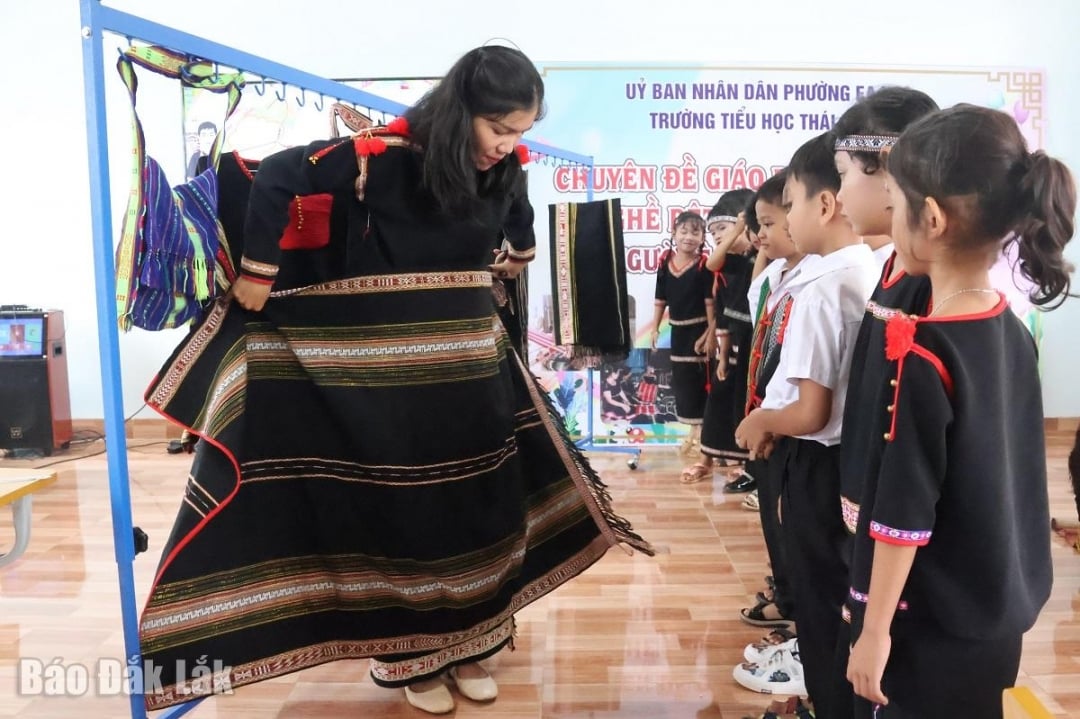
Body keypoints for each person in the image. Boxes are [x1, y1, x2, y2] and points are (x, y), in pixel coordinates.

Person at [139, 45, 652, 715]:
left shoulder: (504, 172)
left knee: (479, 510)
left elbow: (520, 240)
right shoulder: (379, 156)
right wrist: (260, 271)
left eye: (521, 130)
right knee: (407, 515)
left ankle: (473, 643)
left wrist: (513, 257)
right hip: (389, 395)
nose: (509, 143)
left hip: (471, 383)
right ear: (461, 108)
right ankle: (414, 661)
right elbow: (275, 181)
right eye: (500, 127)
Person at [846, 104, 1070, 718]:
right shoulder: (1009, 328)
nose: (890, 219)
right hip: (1000, 605)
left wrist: (873, 629)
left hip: (931, 617)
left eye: (894, 202)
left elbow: (903, 514)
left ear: (933, 218)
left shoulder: (924, 350)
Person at [735, 132, 878, 717]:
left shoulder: (823, 288)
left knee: (819, 603)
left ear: (824, 204)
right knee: (840, 597)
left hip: (815, 460)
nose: (786, 220)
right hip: (847, 463)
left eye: (790, 203)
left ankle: (826, 699)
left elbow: (811, 410)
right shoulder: (866, 270)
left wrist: (761, 419)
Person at [734, 171, 810, 634]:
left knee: (792, 525)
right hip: (770, 416)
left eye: (770, 222)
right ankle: (787, 592)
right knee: (774, 516)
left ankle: (796, 603)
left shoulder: (821, 282)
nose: (760, 235)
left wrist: (772, 420)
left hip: (792, 423)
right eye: (756, 225)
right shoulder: (780, 274)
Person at [681, 189, 755, 483]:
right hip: (732, 346)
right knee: (718, 403)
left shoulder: (759, 260)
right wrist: (723, 356)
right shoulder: (729, 267)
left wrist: (741, 227)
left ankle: (746, 464)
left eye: (722, 229)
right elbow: (724, 314)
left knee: (744, 406)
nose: (718, 238)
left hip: (753, 347)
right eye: (713, 234)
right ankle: (707, 458)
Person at [650, 211, 714, 456]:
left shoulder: (704, 265)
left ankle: (702, 437)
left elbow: (711, 302)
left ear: (702, 237)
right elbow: (660, 299)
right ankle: (693, 434)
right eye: (684, 231)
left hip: (699, 333)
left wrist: (710, 335)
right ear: (674, 234)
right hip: (678, 333)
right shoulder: (665, 263)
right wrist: (655, 328)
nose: (689, 237)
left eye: (695, 232)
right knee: (684, 383)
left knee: (702, 383)